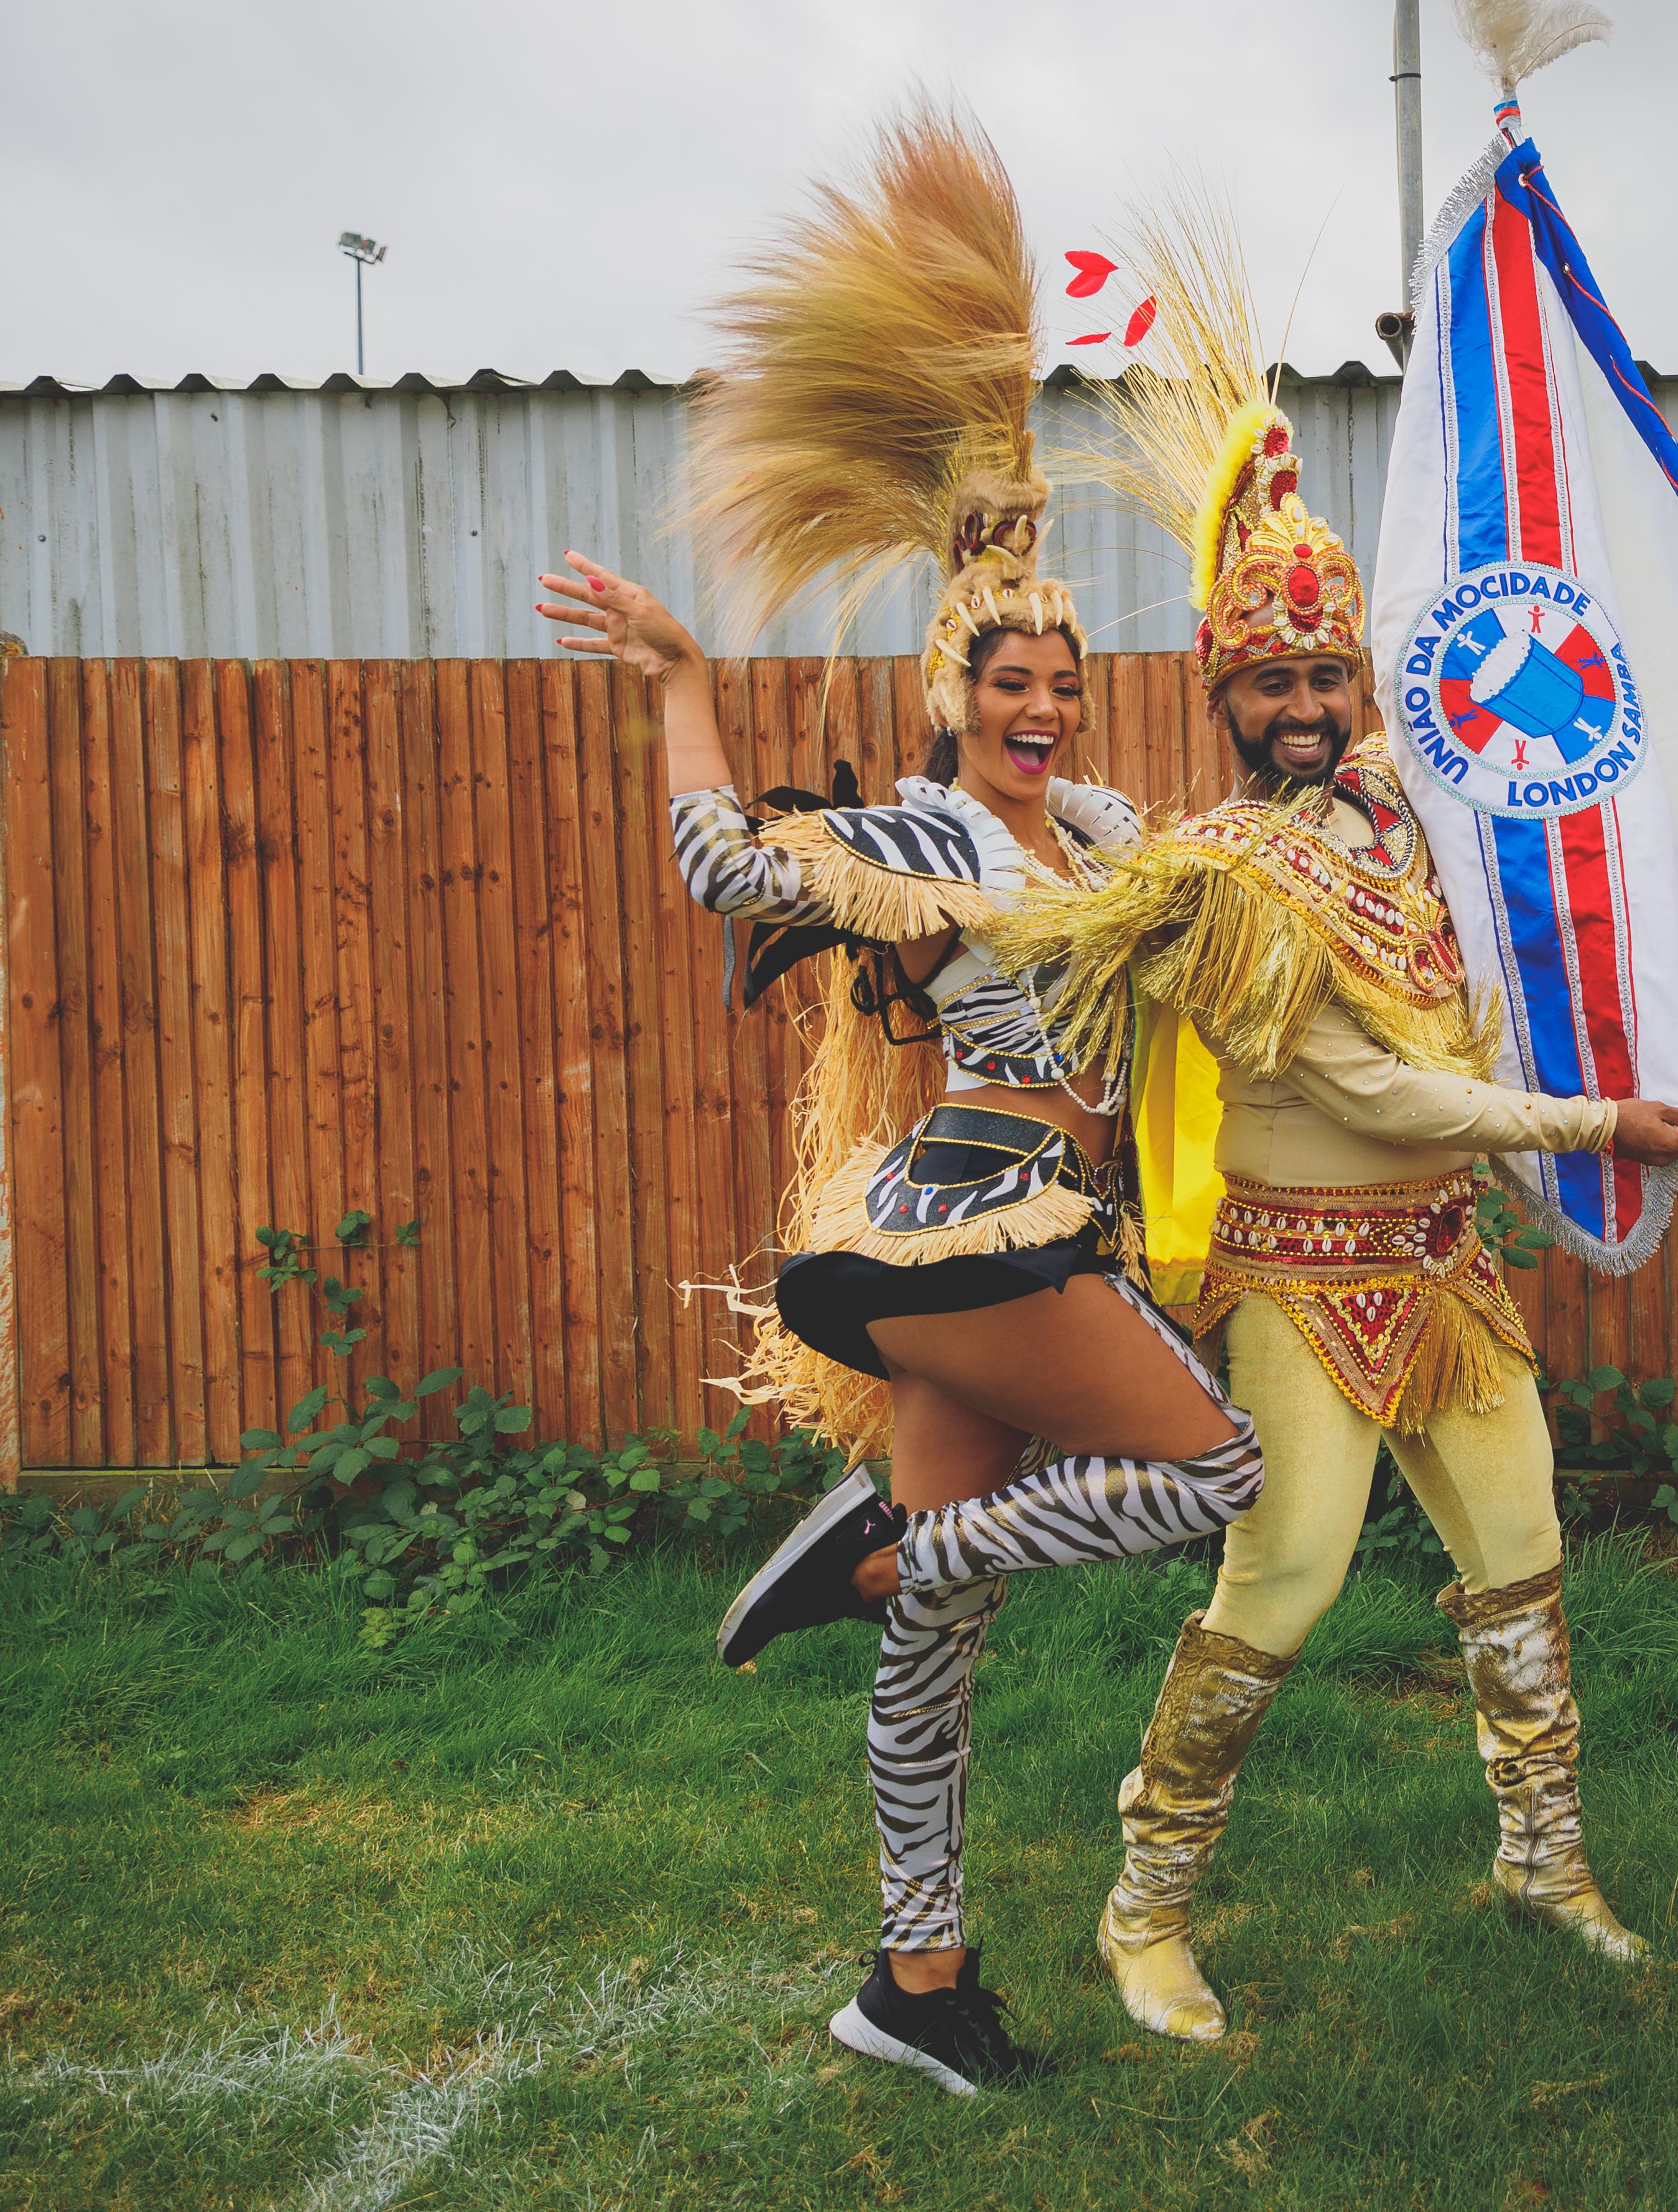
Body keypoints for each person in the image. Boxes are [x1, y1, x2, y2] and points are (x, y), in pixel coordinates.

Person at [534, 109, 1261, 2099]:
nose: (1040, 705)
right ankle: (859, 1557)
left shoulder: (1107, 823)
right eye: (1006, 680)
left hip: (1034, 1230)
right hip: (962, 1219)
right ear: (950, 695)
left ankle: (914, 1984)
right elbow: (717, 863)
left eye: (1062, 680)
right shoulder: (920, 826)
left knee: (946, 1651)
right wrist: (684, 674)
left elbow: (1222, 904)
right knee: (1216, 1479)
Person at [987, 203, 1678, 2045]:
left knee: (1522, 1560)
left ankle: (1543, 1865)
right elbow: (1375, 1088)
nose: (1307, 707)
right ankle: (1143, 1906)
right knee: (1289, 1574)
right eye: (1273, 683)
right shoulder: (1221, 881)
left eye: (1329, 677)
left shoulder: (1422, 810)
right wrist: (1594, 1120)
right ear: (1222, 696)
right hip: (1300, 1279)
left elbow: (1553, 765)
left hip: (1443, 1270)